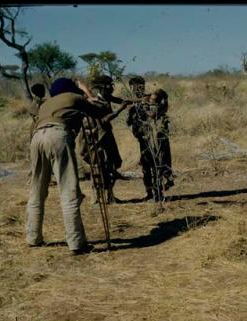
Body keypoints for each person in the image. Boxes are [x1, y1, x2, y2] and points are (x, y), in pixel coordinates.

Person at [25, 77, 109, 255]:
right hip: (58, 135)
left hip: (37, 138)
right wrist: (87, 92)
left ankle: (33, 238)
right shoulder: (73, 97)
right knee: (68, 190)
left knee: (37, 191)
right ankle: (76, 243)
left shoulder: (46, 104)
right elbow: (101, 111)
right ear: (70, 89)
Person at [77, 75, 129, 204]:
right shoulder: (94, 102)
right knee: (98, 166)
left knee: (112, 164)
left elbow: (120, 100)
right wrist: (120, 110)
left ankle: (110, 195)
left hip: (106, 135)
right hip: (96, 138)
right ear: (103, 88)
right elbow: (104, 119)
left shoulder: (105, 98)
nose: (112, 88)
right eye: (109, 86)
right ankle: (97, 197)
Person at [126, 76, 174, 202]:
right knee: (146, 165)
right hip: (144, 139)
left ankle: (159, 192)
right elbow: (130, 122)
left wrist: (150, 104)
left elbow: (161, 108)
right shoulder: (133, 105)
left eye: (140, 87)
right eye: (134, 88)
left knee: (158, 164)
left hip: (157, 138)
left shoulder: (152, 98)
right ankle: (149, 192)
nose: (137, 90)